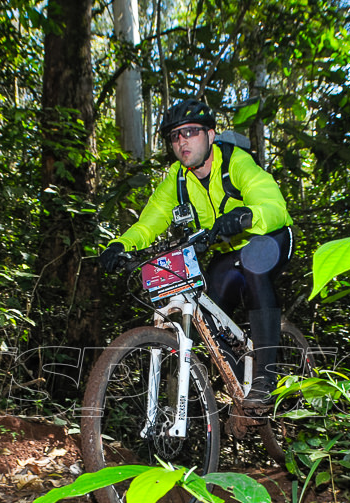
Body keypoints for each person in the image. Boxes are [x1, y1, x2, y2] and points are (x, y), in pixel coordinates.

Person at [99, 98, 294, 409]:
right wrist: (121, 245)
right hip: (227, 253)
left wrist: (246, 216)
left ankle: (265, 378)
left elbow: (274, 206)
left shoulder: (235, 163)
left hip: (268, 237)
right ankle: (236, 387)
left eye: (190, 132)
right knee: (208, 304)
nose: (182, 141)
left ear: (211, 135)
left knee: (256, 266)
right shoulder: (176, 180)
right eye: (175, 136)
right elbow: (148, 223)